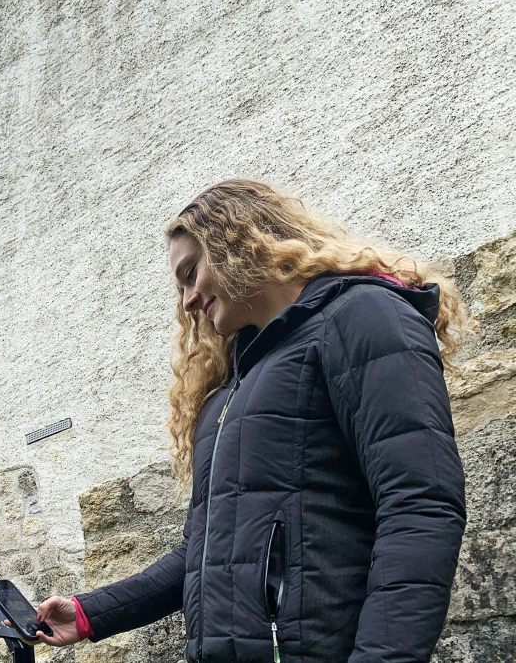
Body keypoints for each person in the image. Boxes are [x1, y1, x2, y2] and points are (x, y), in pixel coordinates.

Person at [32, 179, 468, 662]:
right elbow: (201, 555)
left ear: (239, 243)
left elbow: (419, 509)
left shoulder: (363, 316)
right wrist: (92, 612)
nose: (187, 302)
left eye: (191, 272)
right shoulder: (230, 390)